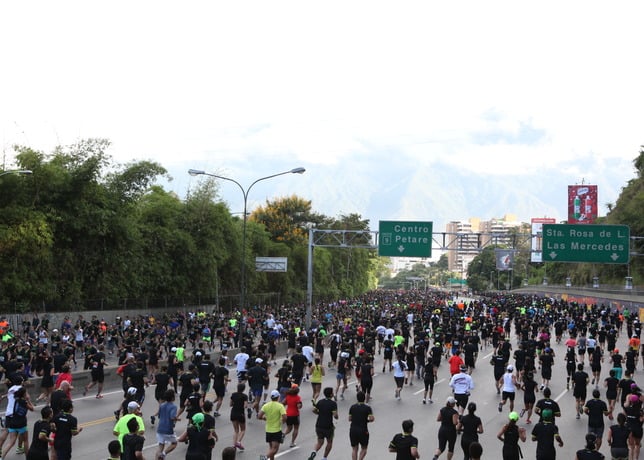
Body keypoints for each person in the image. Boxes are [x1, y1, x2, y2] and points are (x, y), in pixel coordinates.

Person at [308, 387, 338, 460]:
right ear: (331, 394)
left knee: (320, 442)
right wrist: (336, 416)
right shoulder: (333, 403)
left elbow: (314, 410)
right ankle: (324, 458)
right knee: (329, 442)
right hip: (328, 426)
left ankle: (314, 452)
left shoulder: (320, 402)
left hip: (319, 425)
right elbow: (335, 415)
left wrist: (320, 413)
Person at [258, 390, 287, 460]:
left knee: (271, 448)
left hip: (268, 430)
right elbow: (285, 417)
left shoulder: (266, 405)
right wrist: (282, 421)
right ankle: (264, 458)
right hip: (276, 430)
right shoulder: (280, 406)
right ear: (278, 397)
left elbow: (259, 416)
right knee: (275, 449)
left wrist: (263, 418)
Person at [348, 391, 375, 460]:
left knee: (354, 449)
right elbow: (372, 419)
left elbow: (349, 419)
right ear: (364, 398)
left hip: (353, 430)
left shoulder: (352, 407)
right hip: (363, 430)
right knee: (364, 448)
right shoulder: (367, 408)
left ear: (357, 398)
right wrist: (366, 421)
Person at [154, 389, 178, 459]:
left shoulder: (162, 405)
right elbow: (172, 417)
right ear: (173, 398)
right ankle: (164, 454)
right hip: (168, 429)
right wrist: (176, 418)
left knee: (160, 446)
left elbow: (159, 416)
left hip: (160, 428)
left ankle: (157, 458)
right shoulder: (173, 407)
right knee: (174, 443)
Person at [229, 383, 248, 451]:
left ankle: (234, 445)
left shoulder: (233, 395)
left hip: (233, 413)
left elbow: (230, 404)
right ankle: (238, 442)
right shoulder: (244, 396)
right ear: (243, 389)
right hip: (240, 413)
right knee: (243, 429)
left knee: (236, 430)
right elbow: (245, 406)